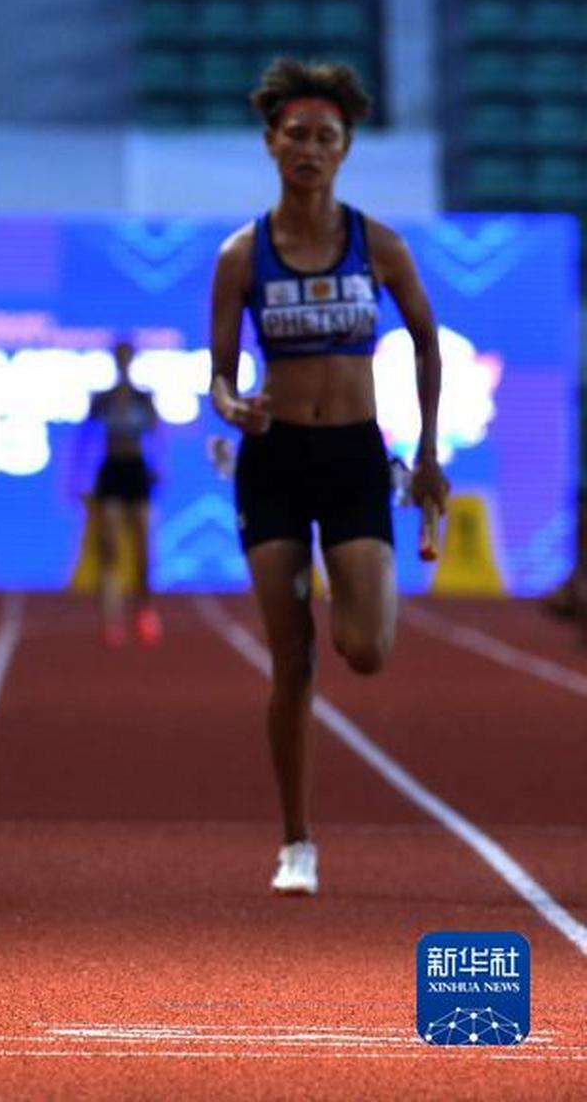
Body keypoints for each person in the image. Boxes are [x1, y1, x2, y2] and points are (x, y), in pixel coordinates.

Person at [208, 58, 446, 898]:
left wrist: (425, 454)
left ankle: (356, 577)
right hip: (274, 465)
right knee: (294, 661)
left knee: (366, 651)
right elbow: (221, 378)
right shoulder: (242, 256)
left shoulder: (376, 244)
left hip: (353, 456)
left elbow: (424, 339)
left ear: (345, 151)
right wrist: (232, 408)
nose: (310, 148)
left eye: (326, 137)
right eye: (296, 134)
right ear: (272, 144)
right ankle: (296, 841)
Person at [82, 339, 162, 647]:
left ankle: (145, 611)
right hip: (112, 470)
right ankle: (111, 618)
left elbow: (158, 435)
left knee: (143, 546)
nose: (123, 363)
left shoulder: (144, 399)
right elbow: (86, 439)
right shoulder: (103, 400)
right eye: (119, 358)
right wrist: (84, 480)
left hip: (137, 470)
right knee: (110, 547)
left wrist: (158, 468)